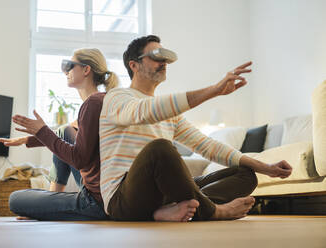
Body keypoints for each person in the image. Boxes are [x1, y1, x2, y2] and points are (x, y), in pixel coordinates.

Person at [99, 35, 293, 222]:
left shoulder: (170, 115)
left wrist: (265, 168)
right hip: (123, 199)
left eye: (165, 58)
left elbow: (207, 146)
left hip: (160, 195)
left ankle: (171, 211)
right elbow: (143, 112)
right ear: (134, 65)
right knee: (160, 148)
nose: (164, 62)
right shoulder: (117, 97)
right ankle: (214, 211)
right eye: (157, 57)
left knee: (245, 174)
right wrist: (214, 90)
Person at [0, 48, 118, 220]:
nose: (65, 71)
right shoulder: (100, 100)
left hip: (96, 201)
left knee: (14, 199)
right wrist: (27, 140)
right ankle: (50, 205)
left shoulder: (92, 104)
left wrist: (42, 131)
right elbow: (66, 132)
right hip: (104, 194)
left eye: (69, 66)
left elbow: (79, 159)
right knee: (65, 131)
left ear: (86, 69)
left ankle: (47, 209)